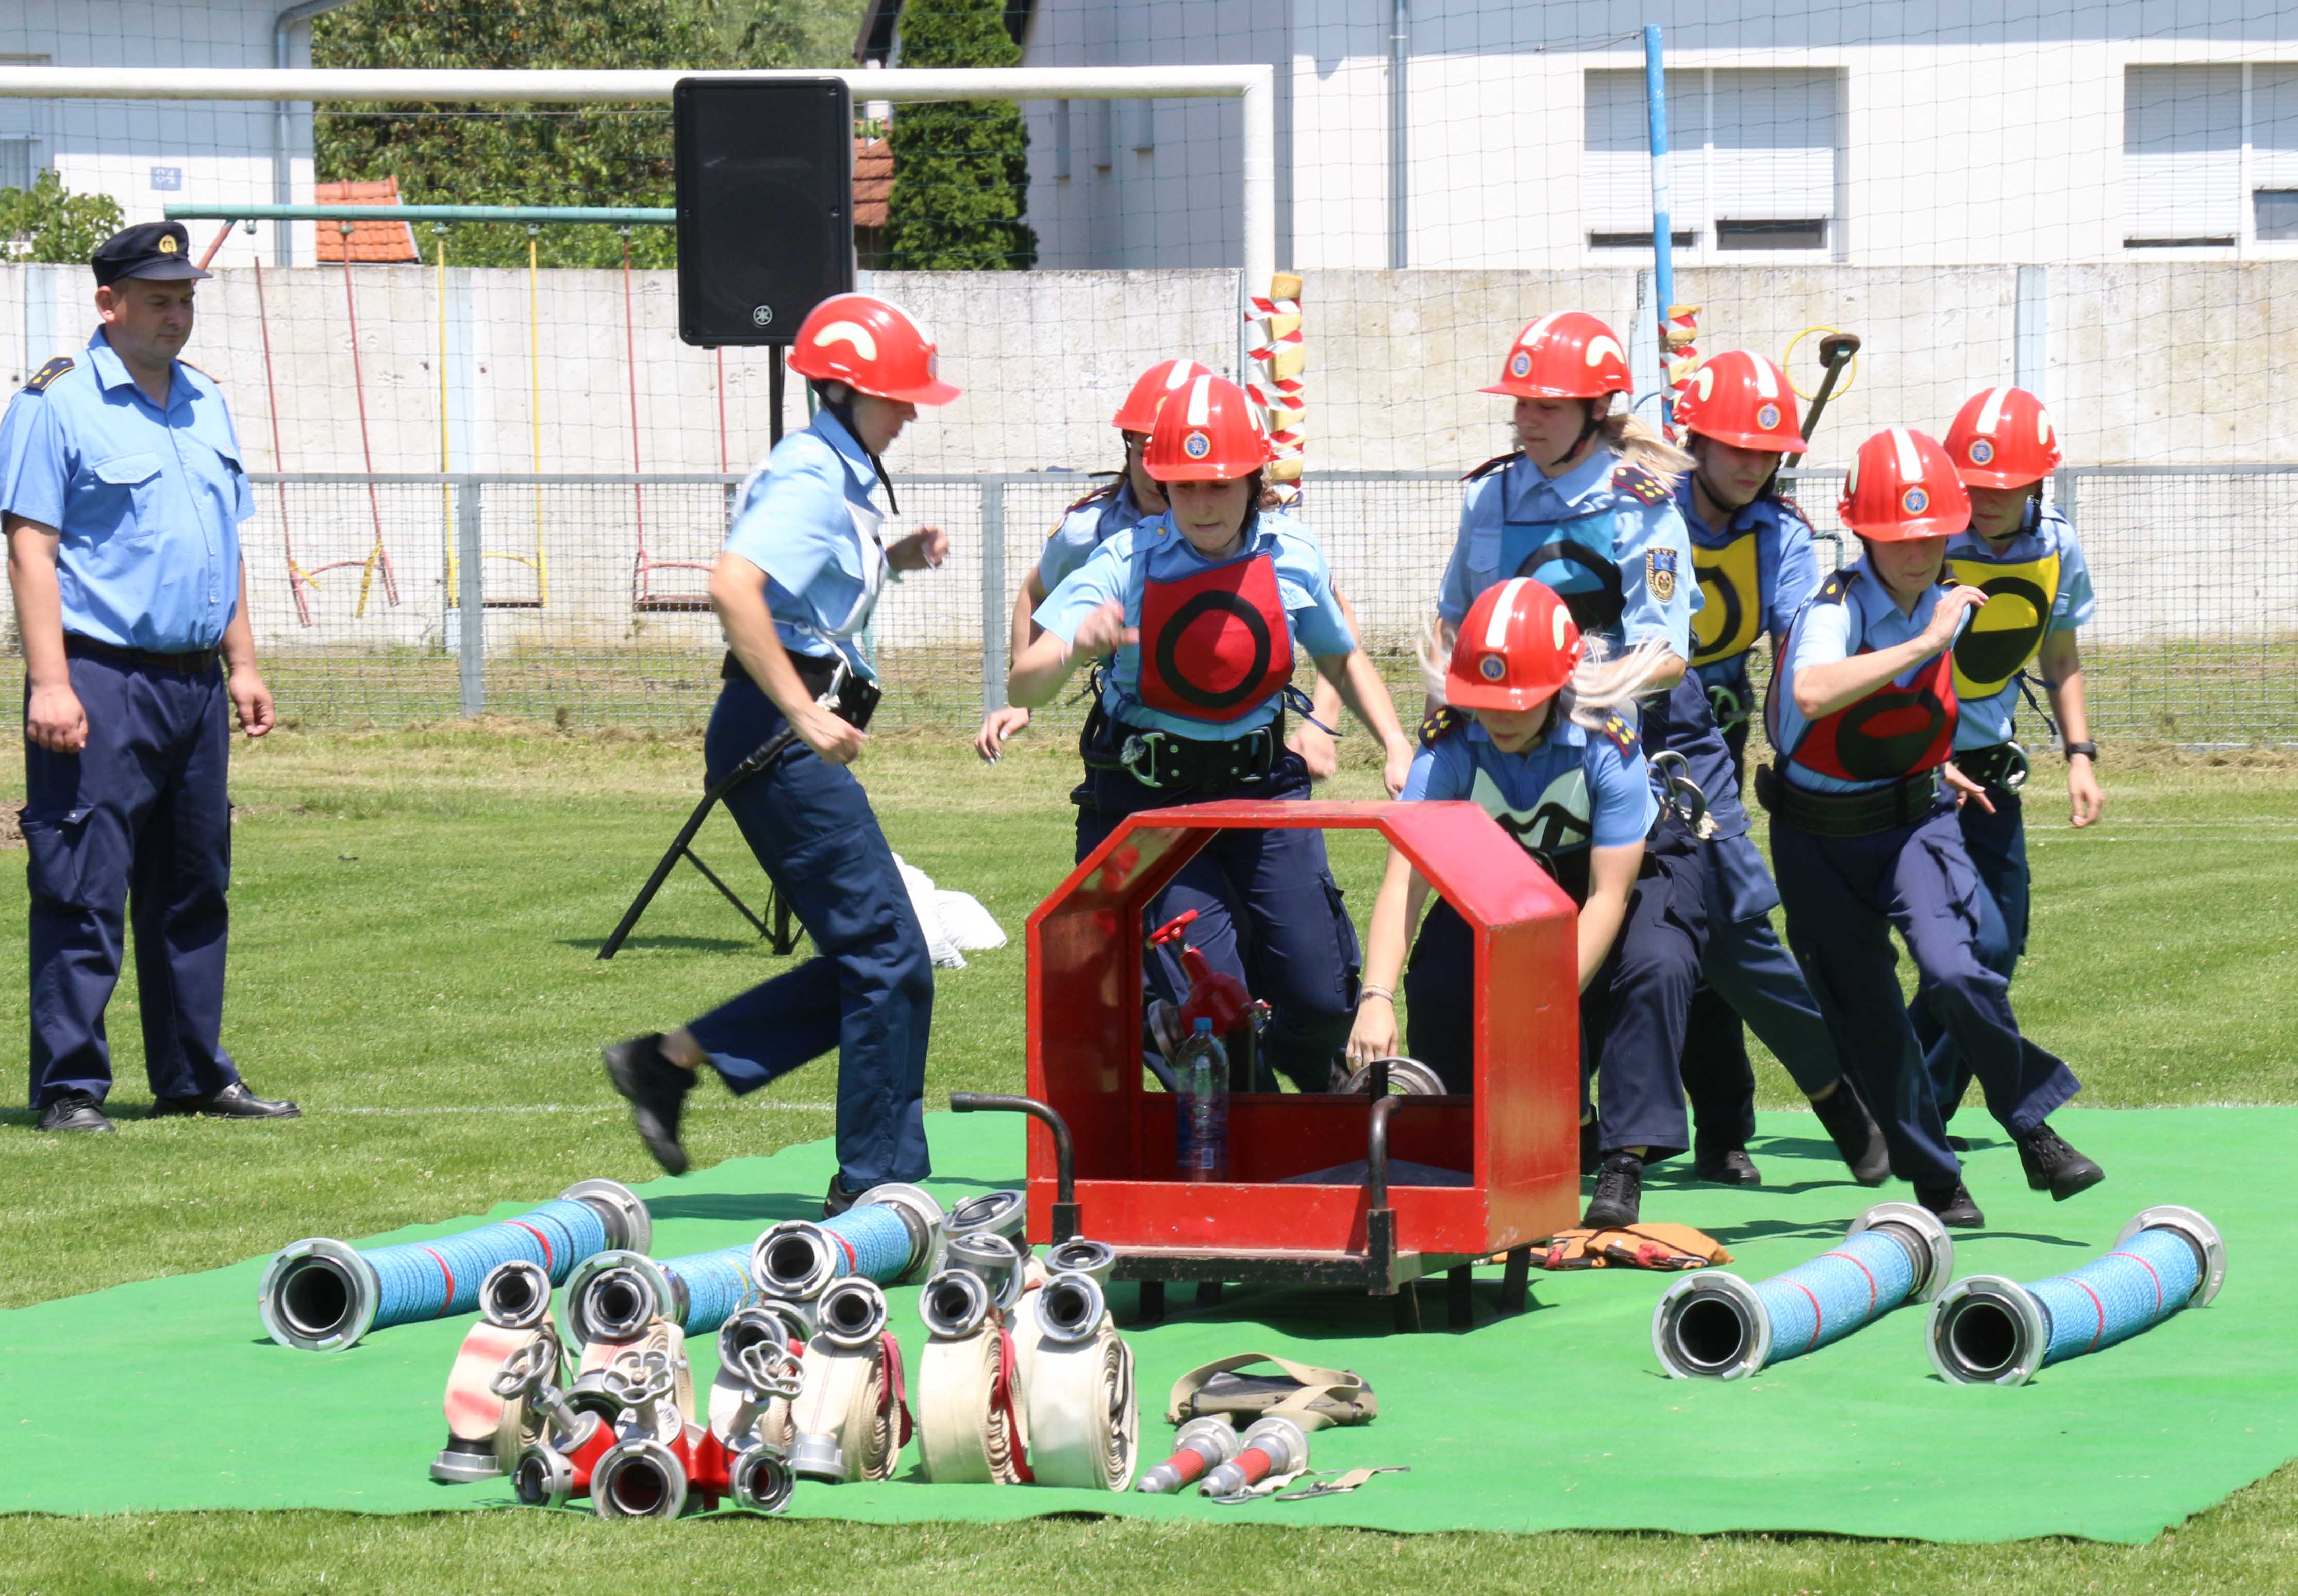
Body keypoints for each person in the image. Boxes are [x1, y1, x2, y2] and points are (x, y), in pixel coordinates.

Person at [603, 292, 956, 1212]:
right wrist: (801, 713)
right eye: (896, 396)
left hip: (775, 733)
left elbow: (809, 587)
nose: (911, 411)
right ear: (838, 392)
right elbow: (735, 586)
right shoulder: (810, 474)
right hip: (776, 738)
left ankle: (668, 1061)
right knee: (888, 953)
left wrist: (896, 556)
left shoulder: (837, 474)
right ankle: (879, 1188)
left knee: (871, 954)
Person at [1008, 373, 1415, 1092]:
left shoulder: (1293, 553)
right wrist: (1073, 646)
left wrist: (1393, 741)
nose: (1202, 503)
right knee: (1216, 1007)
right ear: (1160, 484)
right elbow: (1025, 679)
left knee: (1322, 996)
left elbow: (1339, 655)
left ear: (1254, 482)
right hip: (1152, 806)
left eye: (1220, 485)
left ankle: (1301, 1083)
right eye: (1184, 485)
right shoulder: (1122, 558)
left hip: (1261, 792)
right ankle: (1212, 1081)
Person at [1759, 425, 2104, 1227]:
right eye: (1894, 535)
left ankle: (2030, 1126)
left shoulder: (1950, 594)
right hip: (1816, 839)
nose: (1914, 552)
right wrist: (1922, 639)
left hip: (1916, 819)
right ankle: (1935, 1181)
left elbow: (1913, 706)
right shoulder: (1834, 606)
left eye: (1926, 534)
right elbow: (1810, 693)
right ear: (1861, 533)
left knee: (1960, 969)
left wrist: (1931, 758)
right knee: (1871, 1019)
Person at [1, 221, 293, 1134]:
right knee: (83, 882)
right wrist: (52, 683)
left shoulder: (205, 401)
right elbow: (30, 547)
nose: (176, 317)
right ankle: (71, 1087)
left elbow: (224, 539)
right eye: (159, 300)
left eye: (186, 301)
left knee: (194, 886)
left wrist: (242, 661)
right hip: (100, 675)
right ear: (109, 303)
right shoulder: (53, 405)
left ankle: (194, 1074)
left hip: (195, 681)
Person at [1434, 309, 1712, 1189]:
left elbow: (1668, 646)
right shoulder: (1488, 497)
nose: (1525, 419)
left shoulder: (1640, 507)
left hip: (1611, 762)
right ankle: (1479, 1137)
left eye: (1547, 405)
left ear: (1597, 410)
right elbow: (1451, 616)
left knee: (1663, 956)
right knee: (1451, 964)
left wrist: (1591, 692)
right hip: (1503, 764)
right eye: (1519, 403)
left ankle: (1625, 1155)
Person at [1345, 578, 1701, 1228]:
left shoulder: (1608, 743)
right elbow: (1406, 881)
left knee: (1657, 965)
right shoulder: (1448, 744)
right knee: (1441, 975)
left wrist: (1543, 999)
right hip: (1508, 880)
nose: (1500, 716)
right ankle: (1461, 1145)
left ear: (1559, 688)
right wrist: (1374, 998)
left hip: (1617, 880)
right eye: (1484, 700)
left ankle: (1623, 1161)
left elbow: (1607, 896)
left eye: (1518, 700)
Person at [1668, 349, 1888, 1187]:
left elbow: (1802, 659)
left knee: (1727, 925)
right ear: (1694, 442)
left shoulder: (1784, 537)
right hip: (1601, 741)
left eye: (1765, 451)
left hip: (1703, 752)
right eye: (1735, 448)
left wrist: (1802, 764)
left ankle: (1731, 1128)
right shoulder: (1644, 517)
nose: (1752, 464)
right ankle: (1583, 1132)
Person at [976, 357, 1355, 789]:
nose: (1168, 472)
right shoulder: (1092, 532)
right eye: (1149, 452)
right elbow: (1036, 592)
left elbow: (1334, 629)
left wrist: (1323, 721)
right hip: (1140, 733)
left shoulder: (1251, 526)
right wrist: (1030, 692)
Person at [1915, 385, 2103, 1122]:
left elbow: (2060, 653)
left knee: (1996, 948)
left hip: (1991, 775)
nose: (1983, 498)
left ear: (2037, 483)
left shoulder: (2057, 545)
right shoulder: (1928, 539)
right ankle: (1915, 1107)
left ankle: (1901, 1096)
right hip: (1915, 771)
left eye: (2001, 485)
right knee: (1968, 949)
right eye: (1970, 483)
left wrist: (2080, 754)